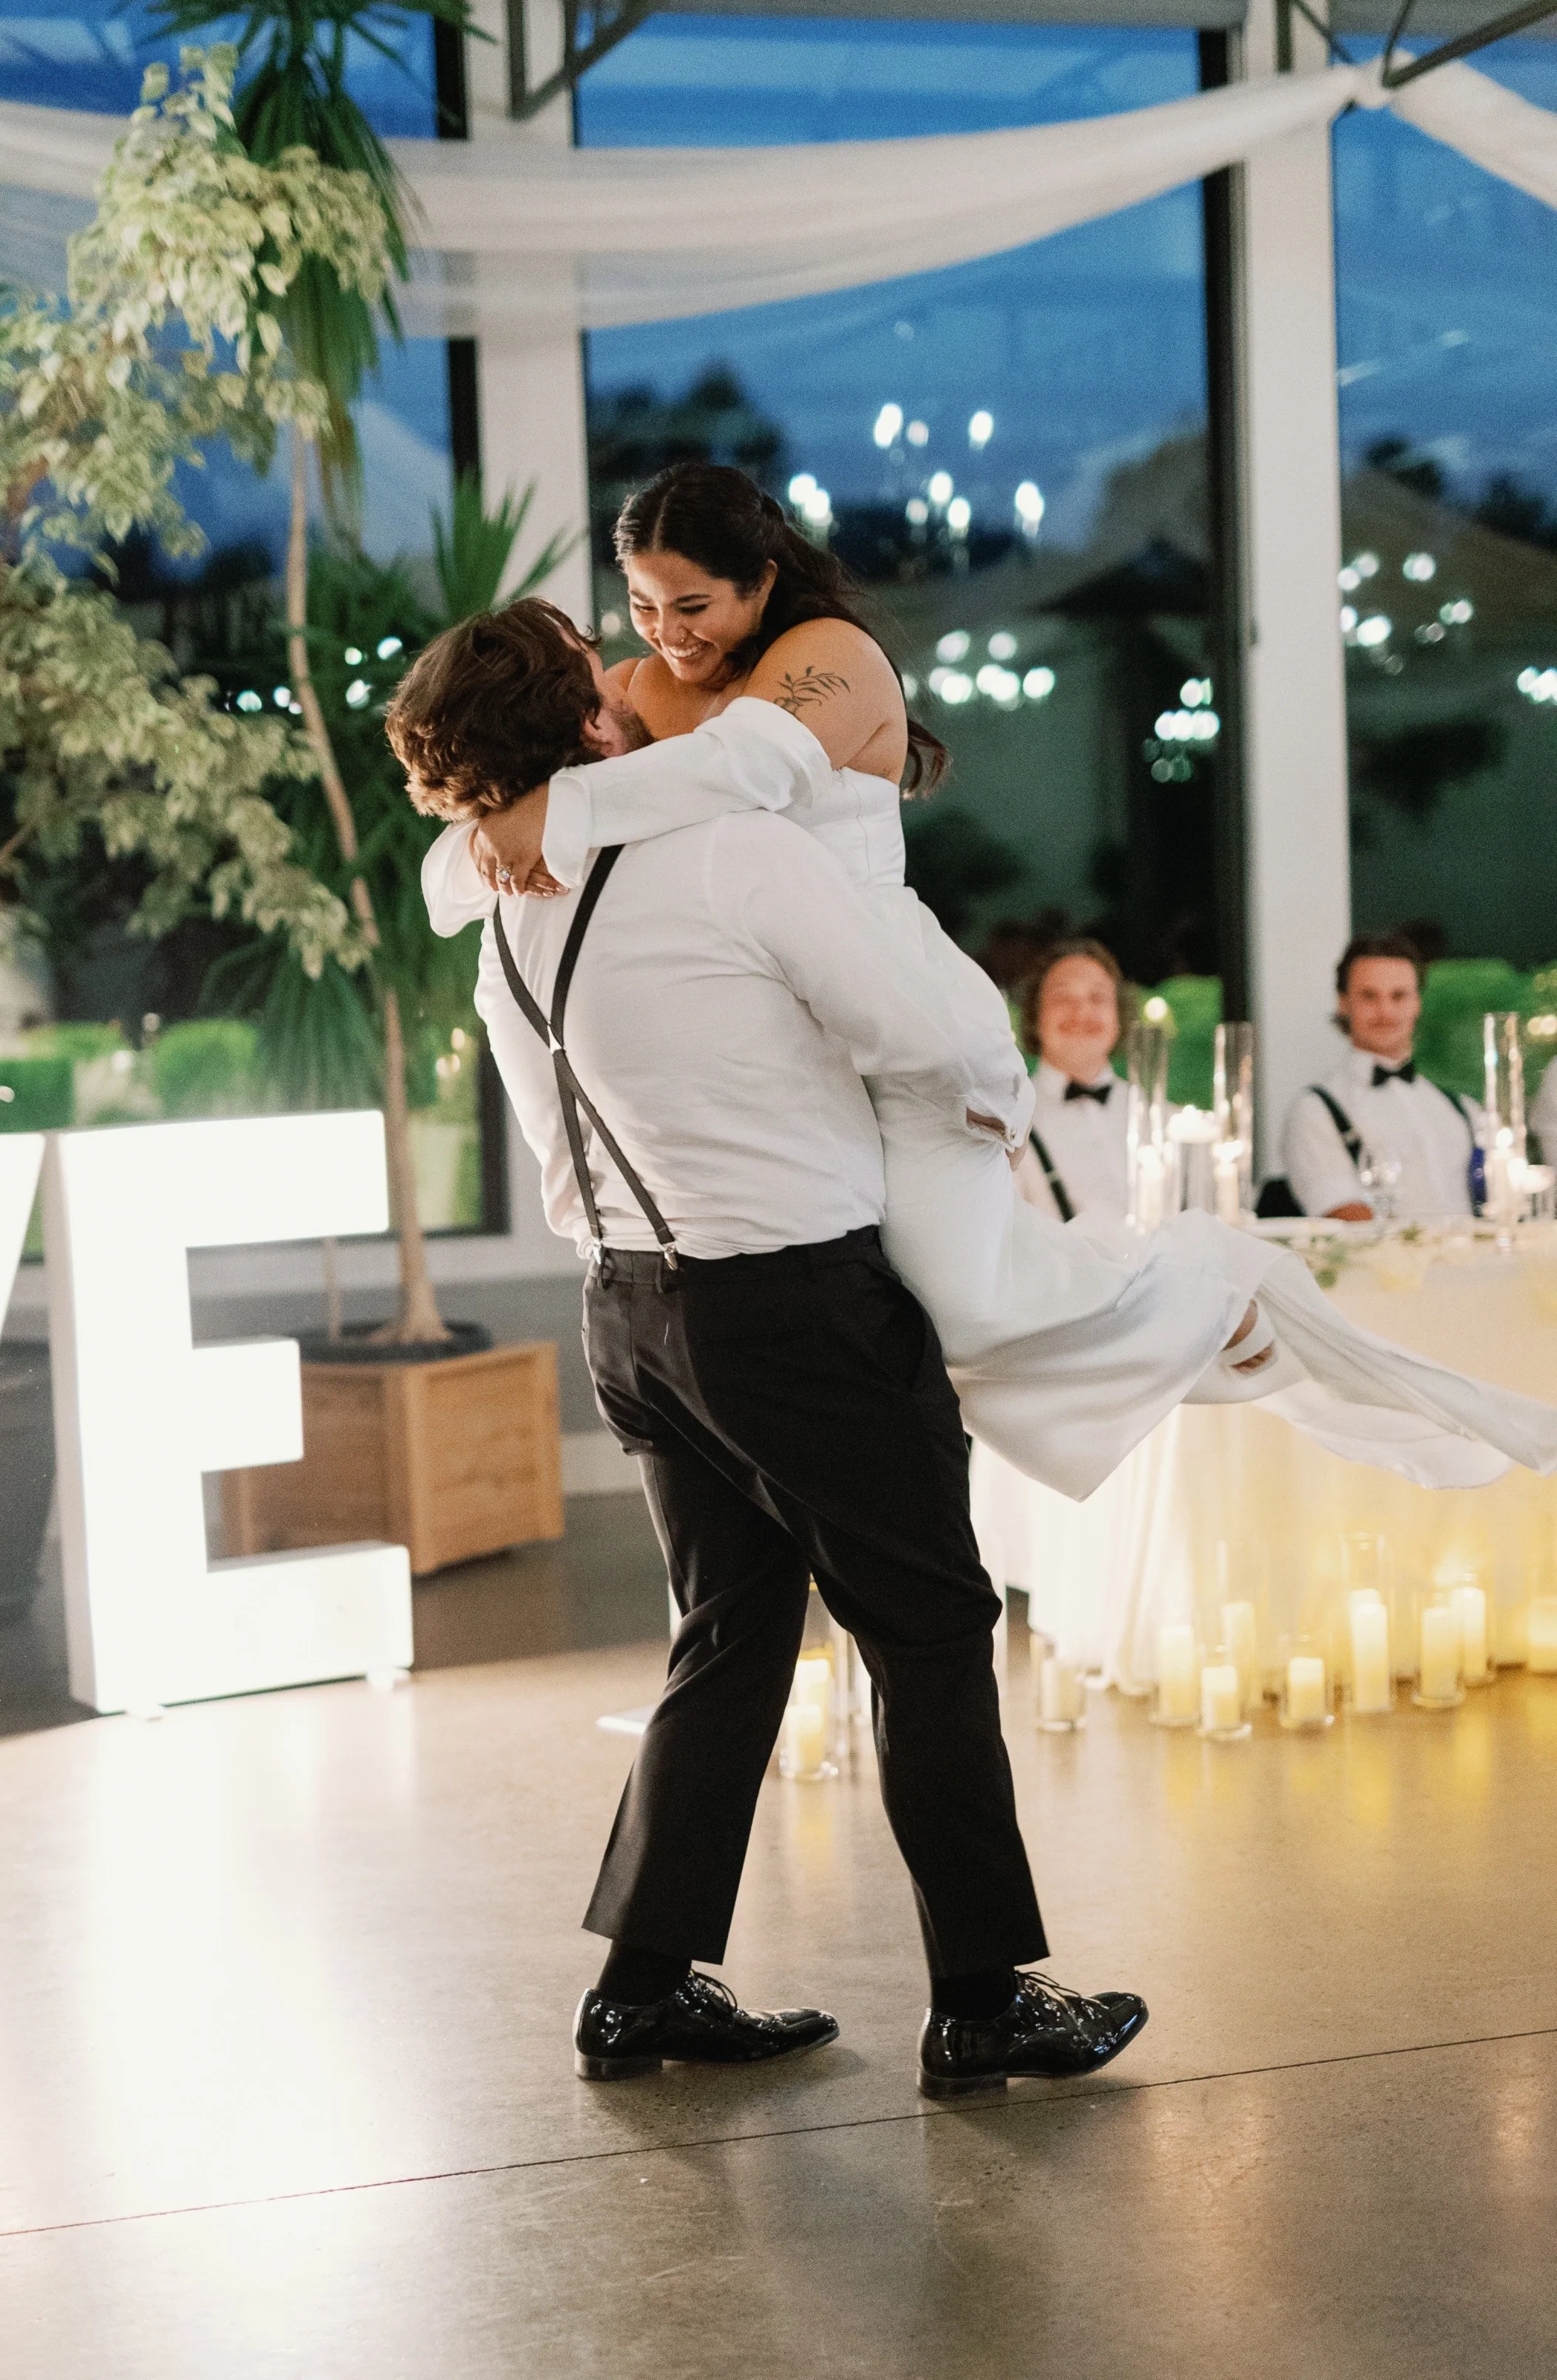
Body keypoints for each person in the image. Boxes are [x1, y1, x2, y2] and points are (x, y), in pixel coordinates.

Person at [429, 464, 1557, 1497]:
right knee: (907, 1317)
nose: (667, 634)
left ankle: (1205, 1291)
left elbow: (750, 769)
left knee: (960, 1298)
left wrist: (548, 816)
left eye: (693, 604)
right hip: (784, 1034)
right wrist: (488, 836)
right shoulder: (630, 692)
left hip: (895, 1000)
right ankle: (1182, 1320)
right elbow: (462, 864)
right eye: (641, 605)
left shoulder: (831, 654)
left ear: (760, 582)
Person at [389, 596, 1150, 2102]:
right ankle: (985, 2000)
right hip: (794, 1308)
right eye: (604, 672)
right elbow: (919, 1030)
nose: (634, 678)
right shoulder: (730, 853)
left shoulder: (508, 902)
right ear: (590, 724)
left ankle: (638, 1990)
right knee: (931, 1625)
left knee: (729, 1636)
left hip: (629, 1311)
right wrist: (983, 1111)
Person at [1283, 934, 1483, 1224]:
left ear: (1417, 1003)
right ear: (1344, 1003)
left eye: (1398, 996)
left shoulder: (1461, 1108)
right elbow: (1344, 1216)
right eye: (1369, 996)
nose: (1385, 1011)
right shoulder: (1314, 1112)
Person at [1012, 940, 1133, 1225]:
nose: (1081, 1013)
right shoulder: (1012, 1118)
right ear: (1035, 1017)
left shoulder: (1157, 1115)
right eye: (1062, 998)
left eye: (1098, 997)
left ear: (1118, 1015)